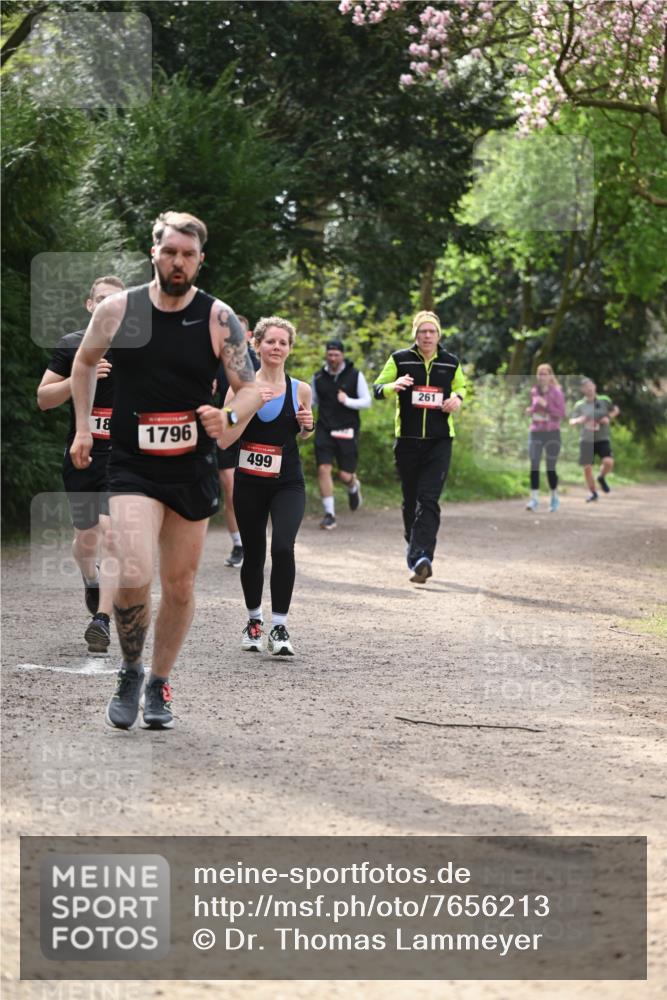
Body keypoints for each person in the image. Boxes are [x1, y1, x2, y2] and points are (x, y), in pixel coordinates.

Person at [69, 211, 262, 730]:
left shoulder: (219, 319)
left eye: (188, 255)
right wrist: (83, 427)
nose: (179, 262)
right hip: (132, 464)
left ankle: (159, 682)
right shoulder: (118, 310)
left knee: (179, 584)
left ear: (200, 260)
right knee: (133, 569)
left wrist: (228, 417)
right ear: (154, 253)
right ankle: (130, 670)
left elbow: (250, 388)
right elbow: (83, 362)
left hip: (190, 467)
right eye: (170, 251)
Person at [37, 275, 125, 654]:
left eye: (114, 301)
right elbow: (44, 399)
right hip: (82, 454)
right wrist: (80, 376)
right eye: (101, 299)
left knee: (113, 532)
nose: (107, 306)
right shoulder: (72, 344)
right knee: (86, 537)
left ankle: (101, 619)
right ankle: (91, 579)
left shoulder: (138, 350)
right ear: (90, 305)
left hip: (122, 457)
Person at [225, 316, 313, 656]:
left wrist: (307, 425)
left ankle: (279, 627)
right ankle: (254, 621)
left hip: (287, 482)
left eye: (283, 342)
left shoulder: (301, 389)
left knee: (283, 548)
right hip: (249, 483)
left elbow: (303, 433)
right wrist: (251, 406)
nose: (276, 347)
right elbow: (225, 435)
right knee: (254, 553)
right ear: (257, 345)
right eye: (270, 341)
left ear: (290, 349)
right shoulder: (241, 387)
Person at [374, 310, 465, 583]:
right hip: (408, 441)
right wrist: (393, 385)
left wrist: (457, 398)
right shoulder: (399, 359)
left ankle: (423, 556)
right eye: (422, 331)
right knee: (411, 499)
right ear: (415, 334)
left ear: (438, 335)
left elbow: (461, 387)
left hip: (439, 441)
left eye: (431, 331)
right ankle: (413, 546)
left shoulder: (450, 362)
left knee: (429, 499)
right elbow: (378, 388)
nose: (427, 336)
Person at [214, 315, 260, 567]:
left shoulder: (261, 361)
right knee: (231, 490)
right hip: (228, 430)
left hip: (255, 434)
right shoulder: (218, 359)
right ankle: (238, 544)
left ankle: (255, 540)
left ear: (249, 335)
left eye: (240, 332)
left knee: (254, 493)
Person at [311, 338, 371, 529]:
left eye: (336, 355)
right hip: (324, 429)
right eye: (330, 354)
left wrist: (347, 401)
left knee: (345, 475)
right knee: (323, 468)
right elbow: (312, 401)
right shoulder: (318, 377)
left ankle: (353, 485)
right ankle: (329, 514)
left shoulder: (355, 375)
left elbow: (367, 401)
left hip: (347, 429)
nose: (333, 358)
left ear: (342, 355)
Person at [570, 377, 620, 502]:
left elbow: (615, 410)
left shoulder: (604, 400)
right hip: (586, 439)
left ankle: (601, 477)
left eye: (590, 385)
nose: (589, 388)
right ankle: (593, 493)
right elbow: (571, 421)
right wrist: (579, 420)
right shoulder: (579, 405)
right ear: (582, 390)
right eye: (586, 387)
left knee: (608, 462)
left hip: (602, 437)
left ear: (595, 386)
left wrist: (608, 418)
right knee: (587, 467)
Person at [525, 363, 566, 513]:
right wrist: (530, 410)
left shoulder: (557, 392)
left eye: (545, 374)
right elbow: (534, 408)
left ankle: (554, 497)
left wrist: (547, 406)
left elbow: (561, 413)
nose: (542, 377)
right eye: (539, 374)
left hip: (552, 432)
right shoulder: (534, 391)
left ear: (550, 376)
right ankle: (534, 499)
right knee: (534, 464)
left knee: (550, 467)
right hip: (536, 431)